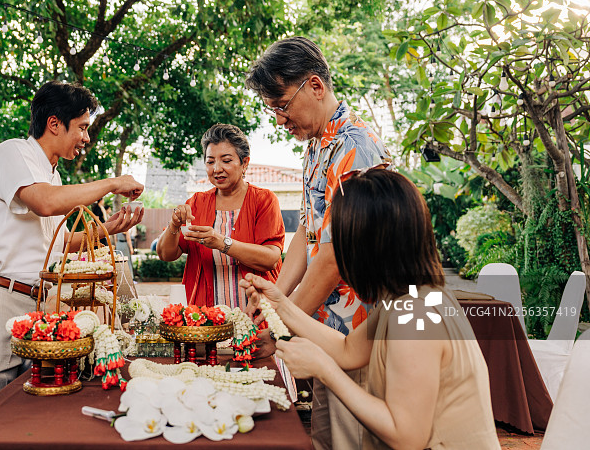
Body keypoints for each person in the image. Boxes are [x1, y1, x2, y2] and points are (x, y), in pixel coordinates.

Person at [241, 169, 499, 449]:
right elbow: (348, 349)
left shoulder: (414, 315)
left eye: (338, 239)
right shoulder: (408, 295)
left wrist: (324, 369)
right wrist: (280, 303)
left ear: (364, 247)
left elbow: (407, 437)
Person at [0, 81, 144, 419]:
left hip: (34, 304)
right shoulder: (13, 152)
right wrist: (113, 182)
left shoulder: (51, 176)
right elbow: (43, 203)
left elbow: (59, 244)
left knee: (21, 414)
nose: (86, 137)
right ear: (55, 123)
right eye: (82, 127)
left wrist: (106, 230)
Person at [245, 36, 392, 449]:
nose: (279, 119)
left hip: (357, 334)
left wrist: (282, 321)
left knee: (353, 441)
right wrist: (278, 302)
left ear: (314, 85)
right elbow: (305, 238)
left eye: (282, 105)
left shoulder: (354, 148)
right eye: (272, 109)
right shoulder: (316, 147)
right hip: (326, 329)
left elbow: (334, 257)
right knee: (327, 440)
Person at [156, 123, 284, 310]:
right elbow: (166, 254)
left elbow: (270, 258)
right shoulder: (197, 202)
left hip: (257, 312)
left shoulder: (263, 200)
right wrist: (173, 226)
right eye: (210, 162)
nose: (217, 169)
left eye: (226, 160)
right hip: (205, 317)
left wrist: (222, 243)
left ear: (244, 163)